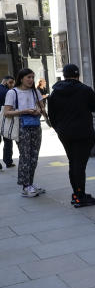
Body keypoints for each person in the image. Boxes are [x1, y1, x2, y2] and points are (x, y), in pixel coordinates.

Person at [47, 64, 95, 208]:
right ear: (78, 74)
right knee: (79, 165)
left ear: (64, 75)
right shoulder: (85, 90)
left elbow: (51, 115)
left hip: (65, 133)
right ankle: (80, 196)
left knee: (73, 162)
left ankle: (77, 194)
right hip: (83, 132)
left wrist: (59, 128)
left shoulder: (55, 92)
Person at [2, 68, 47, 197]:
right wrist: (24, 111)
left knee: (34, 156)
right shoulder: (12, 93)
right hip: (21, 126)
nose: (31, 80)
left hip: (35, 125)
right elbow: (7, 112)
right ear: (21, 78)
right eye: (28, 77)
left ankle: (30, 183)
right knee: (25, 156)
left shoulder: (35, 91)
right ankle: (25, 186)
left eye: (32, 77)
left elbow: (42, 107)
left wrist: (39, 110)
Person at [0, 76, 15, 169]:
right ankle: (8, 161)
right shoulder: (8, 92)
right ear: (5, 82)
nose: (12, 85)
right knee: (8, 140)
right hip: (5, 118)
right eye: (10, 83)